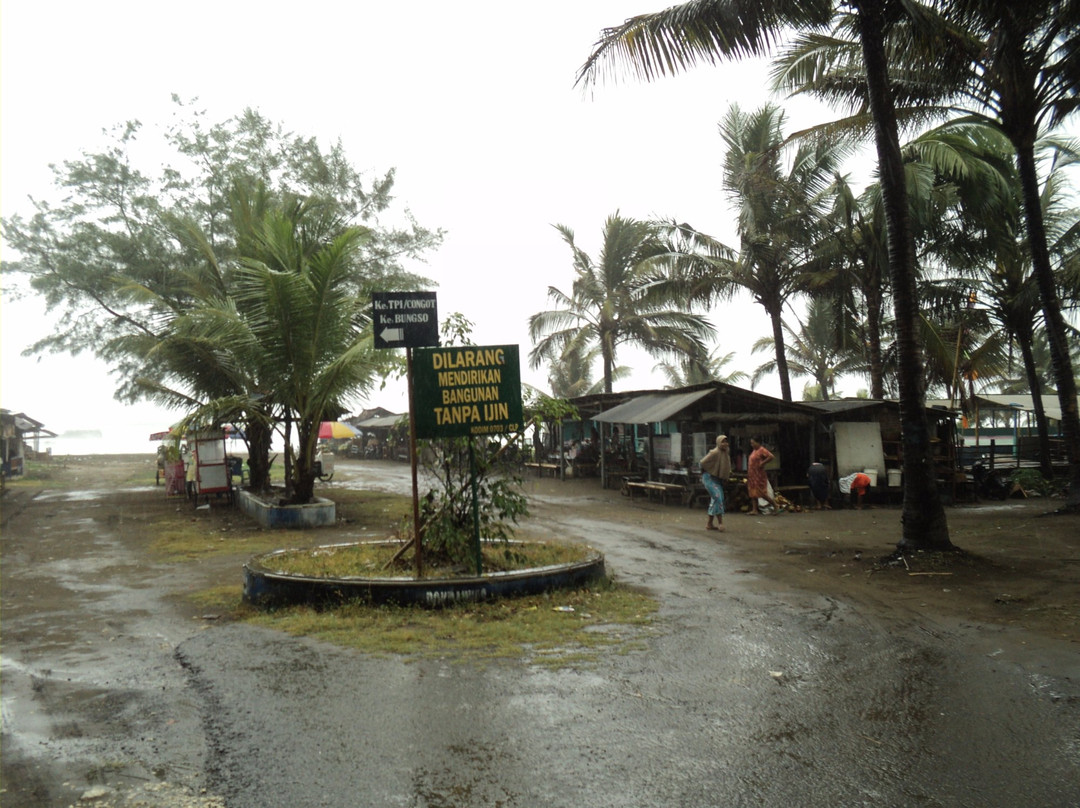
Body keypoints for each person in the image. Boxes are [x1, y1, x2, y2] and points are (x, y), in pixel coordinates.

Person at [699, 434, 731, 531]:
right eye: (723, 441)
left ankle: (709, 524)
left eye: (726, 441)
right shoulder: (714, 452)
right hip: (709, 478)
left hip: (717, 479)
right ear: (718, 442)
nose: (725, 444)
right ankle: (720, 523)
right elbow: (702, 462)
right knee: (718, 498)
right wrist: (711, 469)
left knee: (715, 499)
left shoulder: (725, 453)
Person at [746, 437, 778, 516]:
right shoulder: (754, 451)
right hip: (752, 474)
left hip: (758, 474)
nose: (752, 445)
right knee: (752, 492)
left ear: (758, 443)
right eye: (751, 443)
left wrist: (762, 463)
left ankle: (775, 505)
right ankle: (754, 509)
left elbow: (771, 456)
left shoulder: (761, 450)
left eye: (753, 443)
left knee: (760, 492)